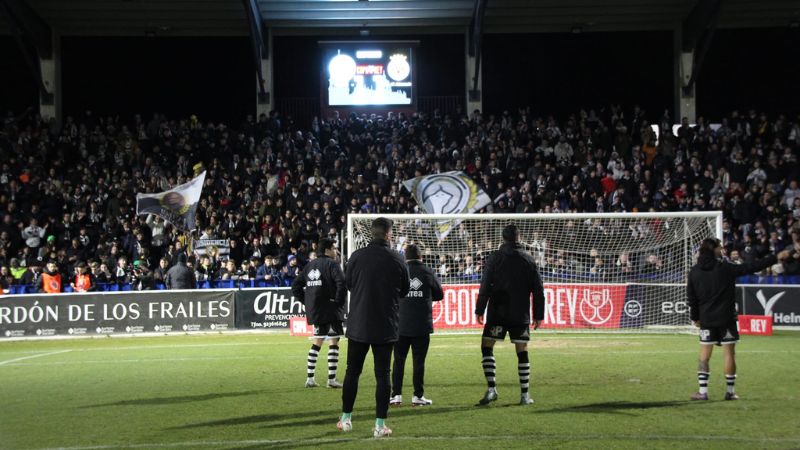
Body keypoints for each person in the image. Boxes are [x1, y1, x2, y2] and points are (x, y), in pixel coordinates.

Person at [687, 238, 790, 400]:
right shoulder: (725, 268)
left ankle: (703, 392)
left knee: (704, 356)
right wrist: (774, 257)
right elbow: (752, 267)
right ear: (713, 249)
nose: (722, 249)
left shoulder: (694, 271)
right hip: (726, 318)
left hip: (707, 319)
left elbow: (691, 299)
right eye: (720, 246)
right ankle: (730, 391)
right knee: (729, 354)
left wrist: (695, 318)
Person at [338, 217, 410, 438]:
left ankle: (346, 419)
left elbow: (348, 284)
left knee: (352, 372)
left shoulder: (356, 256)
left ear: (372, 233)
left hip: (359, 323)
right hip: (385, 325)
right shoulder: (398, 259)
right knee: (382, 375)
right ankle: (380, 425)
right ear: (388, 234)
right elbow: (405, 290)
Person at [474, 223, 545, 406]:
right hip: (520, 313)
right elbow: (538, 290)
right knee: (522, 350)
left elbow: (486, 284)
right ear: (518, 238)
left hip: (498, 311)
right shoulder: (528, 259)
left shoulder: (495, 258)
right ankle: (525, 395)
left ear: (503, 238)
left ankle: (491, 390)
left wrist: (480, 309)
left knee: (487, 346)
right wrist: (539, 314)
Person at [389, 244, 443, 407]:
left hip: (400, 325)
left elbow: (391, 294)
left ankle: (396, 395)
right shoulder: (427, 271)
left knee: (398, 361)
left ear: (405, 257)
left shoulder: (398, 270)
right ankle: (417, 396)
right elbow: (439, 294)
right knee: (418, 362)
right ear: (421, 256)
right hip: (421, 324)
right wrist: (424, 297)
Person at [291, 237, 346, 388]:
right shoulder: (332, 264)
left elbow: (295, 286)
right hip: (331, 310)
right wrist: (339, 302)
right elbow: (342, 283)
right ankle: (331, 379)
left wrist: (308, 302)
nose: (336, 251)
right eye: (334, 248)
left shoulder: (310, 266)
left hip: (316, 311)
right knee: (333, 342)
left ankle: (310, 378)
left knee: (317, 342)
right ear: (327, 250)